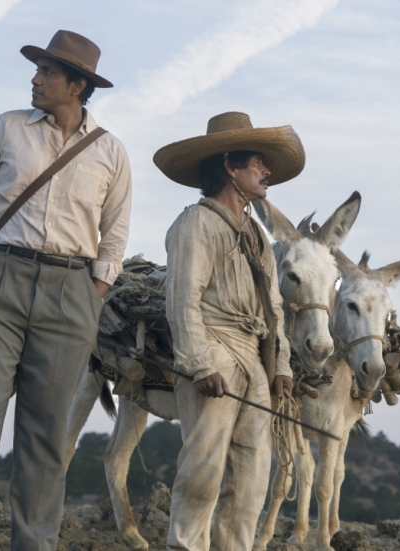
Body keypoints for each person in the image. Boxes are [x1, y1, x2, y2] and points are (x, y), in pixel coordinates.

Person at [0, 30, 132, 551]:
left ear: (77, 85)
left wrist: (94, 291)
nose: (35, 78)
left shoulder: (111, 152)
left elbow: (113, 236)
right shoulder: (7, 128)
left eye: (47, 71)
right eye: (38, 69)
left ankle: (35, 543)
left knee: (45, 432)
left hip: (71, 292)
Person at [153, 112, 305, 551]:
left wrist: (279, 363)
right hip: (214, 351)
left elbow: (273, 306)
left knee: (251, 479)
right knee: (202, 473)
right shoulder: (196, 224)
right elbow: (183, 300)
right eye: (257, 162)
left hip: (253, 361)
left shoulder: (255, 235)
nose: (267, 171)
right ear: (228, 166)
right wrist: (200, 363)